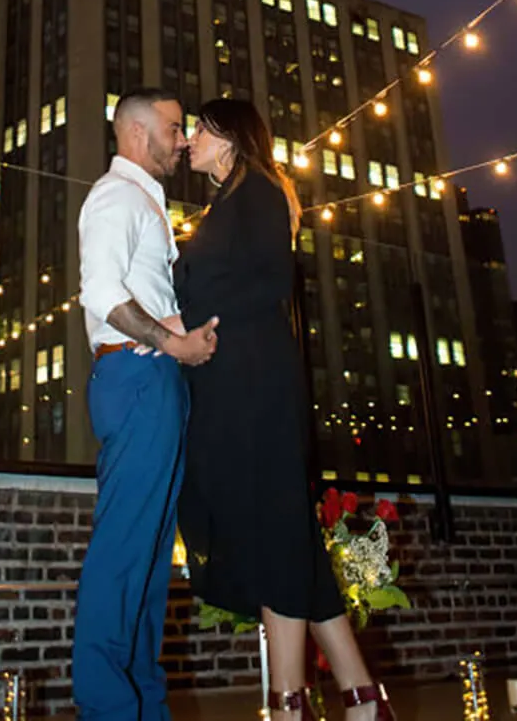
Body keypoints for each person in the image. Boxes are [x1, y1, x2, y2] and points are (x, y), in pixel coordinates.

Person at [176, 97, 393, 721]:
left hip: (252, 383)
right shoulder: (224, 202)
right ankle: (360, 696)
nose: (190, 140)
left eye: (200, 130)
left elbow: (270, 281)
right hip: (229, 379)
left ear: (232, 137)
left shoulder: (260, 193)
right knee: (282, 530)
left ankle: (290, 703)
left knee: (269, 526)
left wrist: (191, 315)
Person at [72, 88, 220, 721]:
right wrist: (173, 343)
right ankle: (109, 709)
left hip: (153, 381)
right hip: (135, 376)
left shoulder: (147, 205)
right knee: (125, 553)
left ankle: (143, 708)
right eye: (174, 127)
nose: (183, 139)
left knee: (152, 561)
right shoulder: (115, 197)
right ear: (136, 133)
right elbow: (101, 293)